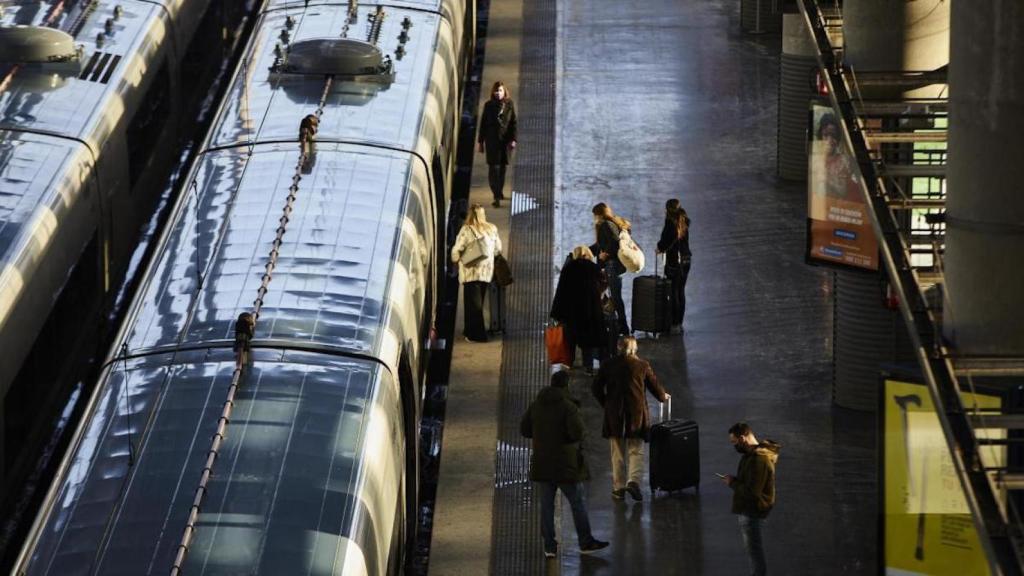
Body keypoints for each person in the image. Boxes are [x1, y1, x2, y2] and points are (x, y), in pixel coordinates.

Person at [521, 370, 610, 558]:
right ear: (566, 386)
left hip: (542, 464)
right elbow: (577, 433)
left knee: (546, 506)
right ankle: (585, 541)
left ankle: (549, 547)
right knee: (577, 503)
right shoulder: (568, 407)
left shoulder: (537, 404)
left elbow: (525, 429)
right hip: (565, 465)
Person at [591, 336, 669, 502]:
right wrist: (663, 396)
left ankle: (618, 489)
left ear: (619, 347)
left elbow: (595, 387)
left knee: (617, 453)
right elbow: (655, 387)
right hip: (636, 414)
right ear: (635, 349)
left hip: (614, 414)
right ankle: (633, 482)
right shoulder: (642, 366)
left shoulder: (608, 365)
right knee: (636, 450)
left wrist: (606, 403)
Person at [720, 422, 782, 576]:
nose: (734, 446)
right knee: (754, 551)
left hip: (751, 511)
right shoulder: (754, 455)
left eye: (734, 442)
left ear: (743, 438)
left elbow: (752, 492)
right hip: (751, 509)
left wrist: (732, 483)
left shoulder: (758, 460)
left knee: (754, 553)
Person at [550, 246, 607, 373]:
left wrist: (556, 313)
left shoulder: (568, 269)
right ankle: (588, 367)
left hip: (571, 313)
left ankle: (569, 365)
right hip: (589, 313)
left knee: (570, 341)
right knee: (588, 342)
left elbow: (561, 291)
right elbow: (603, 282)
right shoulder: (594, 268)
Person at [451, 204, 502, 342]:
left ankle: (478, 335)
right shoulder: (492, 229)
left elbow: (456, 251)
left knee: (473, 305)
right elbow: (498, 249)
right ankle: (468, 330)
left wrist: (455, 259)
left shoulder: (466, 230)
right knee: (477, 301)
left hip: (470, 271)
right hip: (486, 272)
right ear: (482, 215)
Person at [589, 203, 631, 335]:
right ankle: (617, 324)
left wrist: (604, 254)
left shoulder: (607, 225)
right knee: (612, 295)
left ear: (599, 214)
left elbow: (614, 242)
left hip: (612, 265)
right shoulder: (609, 223)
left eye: (594, 215)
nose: (594, 218)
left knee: (616, 296)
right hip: (611, 265)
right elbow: (600, 245)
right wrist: (586, 251)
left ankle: (623, 326)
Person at [477, 81, 518, 208]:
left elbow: (513, 123)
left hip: (505, 143)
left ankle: (499, 192)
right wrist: (480, 142)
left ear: (504, 91)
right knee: (494, 169)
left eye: (500, 90)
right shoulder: (488, 106)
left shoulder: (510, 105)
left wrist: (514, 139)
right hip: (492, 142)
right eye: (496, 91)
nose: (498, 93)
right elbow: (483, 124)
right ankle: (496, 195)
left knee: (503, 169)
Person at [656, 199, 692, 332]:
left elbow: (665, 241)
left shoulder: (670, 223)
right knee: (681, 291)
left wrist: (659, 248)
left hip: (674, 262)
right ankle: (679, 323)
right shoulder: (684, 221)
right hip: (686, 259)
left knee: (674, 291)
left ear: (667, 210)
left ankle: (674, 324)